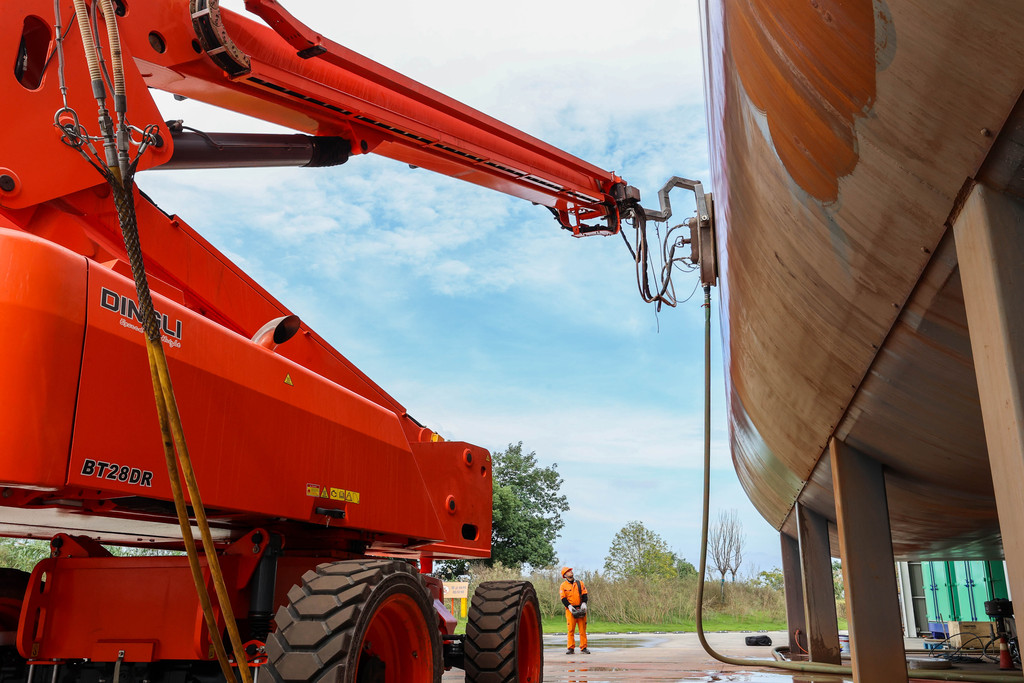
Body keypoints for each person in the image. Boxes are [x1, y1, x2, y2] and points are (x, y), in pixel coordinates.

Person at [559, 566, 590, 654]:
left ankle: (584, 647)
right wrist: (569, 606)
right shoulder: (563, 586)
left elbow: (584, 594)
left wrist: (584, 603)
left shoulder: (580, 583)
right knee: (570, 630)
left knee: (582, 629)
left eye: (570, 571)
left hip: (580, 608)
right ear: (565, 575)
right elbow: (563, 598)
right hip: (570, 610)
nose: (570, 572)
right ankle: (571, 648)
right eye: (568, 571)